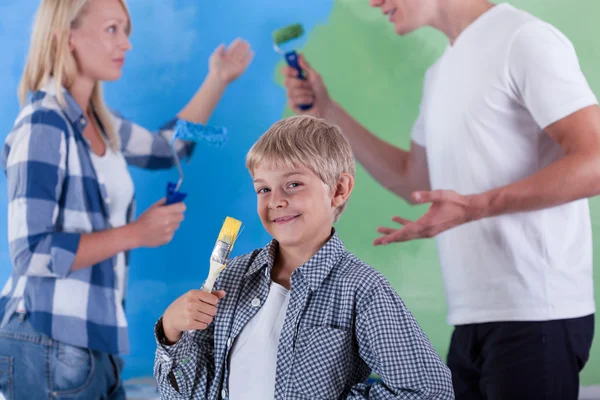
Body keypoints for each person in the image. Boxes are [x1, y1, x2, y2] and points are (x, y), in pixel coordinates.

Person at [282, 0, 599, 399]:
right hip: (472, 319)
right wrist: (328, 110)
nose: (373, 2)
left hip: (536, 316)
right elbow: (413, 179)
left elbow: (596, 160)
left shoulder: (523, 38)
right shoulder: (441, 73)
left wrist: (476, 206)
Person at [0, 0, 253, 398]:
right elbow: (31, 252)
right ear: (66, 38)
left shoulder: (103, 124)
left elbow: (168, 148)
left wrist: (218, 79)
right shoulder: (43, 125)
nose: (127, 44)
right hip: (47, 337)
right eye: (112, 29)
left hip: (93, 344)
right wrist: (137, 233)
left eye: (127, 30)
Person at [152, 115, 454, 399]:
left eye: (293, 184)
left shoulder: (362, 290)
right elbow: (187, 394)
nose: (276, 200)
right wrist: (171, 329)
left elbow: (429, 390)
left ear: (338, 189)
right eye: (263, 189)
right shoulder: (230, 278)